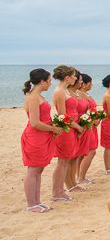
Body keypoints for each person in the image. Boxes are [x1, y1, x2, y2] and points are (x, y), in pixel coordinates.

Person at [21, 68, 60, 212]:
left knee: (39, 169)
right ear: (42, 81)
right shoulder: (33, 97)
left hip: (44, 135)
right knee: (33, 170)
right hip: (35, 137)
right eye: (49, 81)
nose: (50, 84)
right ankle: (31, 204)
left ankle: (36, 201)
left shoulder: (39, 96)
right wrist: (53, 129)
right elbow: (35, 122)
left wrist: (53, 126)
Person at [52, 65, 82, 198]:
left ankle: (61, 190)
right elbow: (62, 115)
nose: (75, 78)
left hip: (72, 129)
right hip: (67, 130)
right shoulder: (59, 91)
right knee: (62, 162)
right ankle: (57, 192)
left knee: (67, 160)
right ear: (67, 77)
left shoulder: (66, 91)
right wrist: (77, 126)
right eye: (74, 76)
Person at [77, 73, 100, 184]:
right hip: (88, 124)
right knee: (90, 151)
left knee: (88, 151)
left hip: (92, 125)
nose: (92, 84)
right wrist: (93, 119)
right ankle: (81, 177)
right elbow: (83, 110)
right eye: (90, 82)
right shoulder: (80, 95)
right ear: (84, 84)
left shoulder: (85, 94)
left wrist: (98, 118)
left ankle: (80, 176)